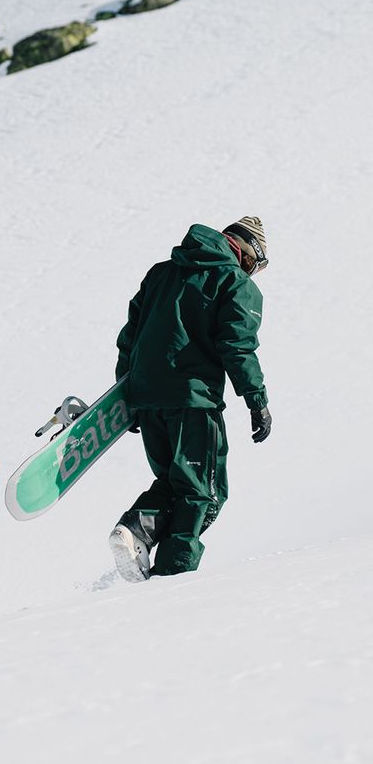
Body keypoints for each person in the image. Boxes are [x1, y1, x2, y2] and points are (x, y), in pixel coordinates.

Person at [109, 217, 271, 581]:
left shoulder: (161, 273)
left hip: (147, 398)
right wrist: (256, 399)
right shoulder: (234, 282)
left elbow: (130, 335)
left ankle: (137, 529)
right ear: (248, 254)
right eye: (256, 266)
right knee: (204, 494)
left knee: (175, 484)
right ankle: (171, 579)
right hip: (193, 400)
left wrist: (127, 394)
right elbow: (237, 345)